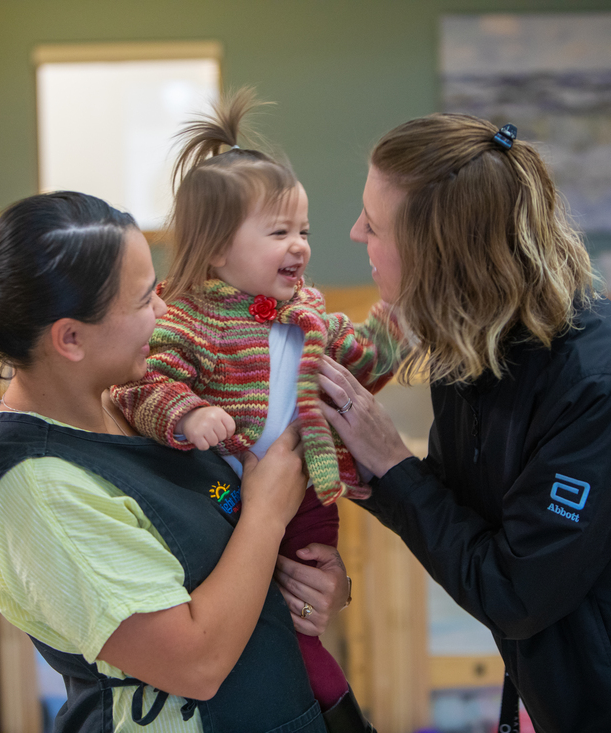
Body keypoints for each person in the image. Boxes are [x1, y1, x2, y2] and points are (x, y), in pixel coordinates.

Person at [316, 114, 611, 733]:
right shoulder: (471, 345)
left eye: (375, 222)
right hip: (570, 682)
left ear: (438, 251)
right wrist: (355, 466)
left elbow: (513, 590)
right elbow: (457, 510)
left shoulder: (597, 380)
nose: (355, 232)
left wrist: (392, 466)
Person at [0, 191, 348, 732]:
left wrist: (317, 588)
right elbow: (196, 663)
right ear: (70, 338)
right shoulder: (42, 491)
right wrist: (267, 511)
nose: (164, 311)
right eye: (143, 301)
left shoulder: (141, 406)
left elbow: (230, 560)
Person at [111, 91, 399, 728]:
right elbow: (144, 390)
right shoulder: (191, 318)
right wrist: (187, 415)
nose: (299, 246)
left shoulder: (309, 312)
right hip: (229, 504)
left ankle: (322, 705)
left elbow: (364, 363)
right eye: (278, 233)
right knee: (273, 631)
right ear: (216, 250)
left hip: (308, 505)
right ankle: (338, 715)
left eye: (302, 231)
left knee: (301, 622)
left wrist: (396, 326)